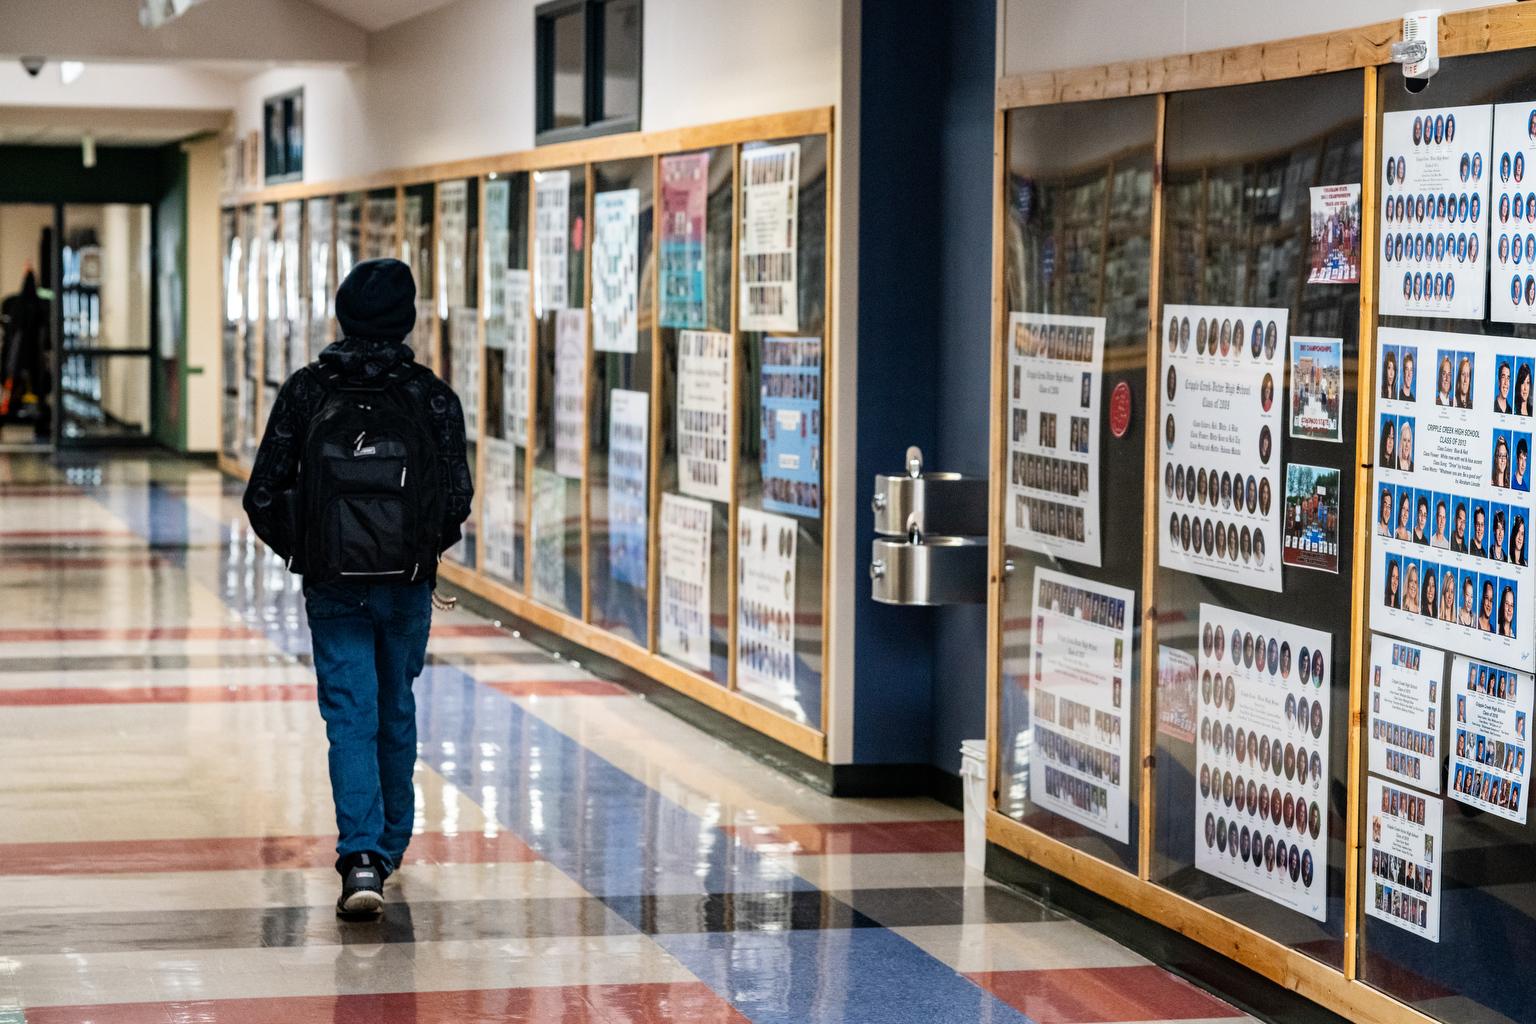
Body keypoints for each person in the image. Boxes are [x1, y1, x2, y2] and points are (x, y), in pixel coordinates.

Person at [243, 258, 473, 918]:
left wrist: (312, 550)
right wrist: (418, 550)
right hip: (405, 585)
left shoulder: (307, 393)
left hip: (333, 586)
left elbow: (262, 495)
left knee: (350, 713)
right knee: (394, 704)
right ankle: (392, 844)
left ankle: (362, 859)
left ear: (341, 313)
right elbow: (456, 497)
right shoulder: (431, 398)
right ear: (407, 320)